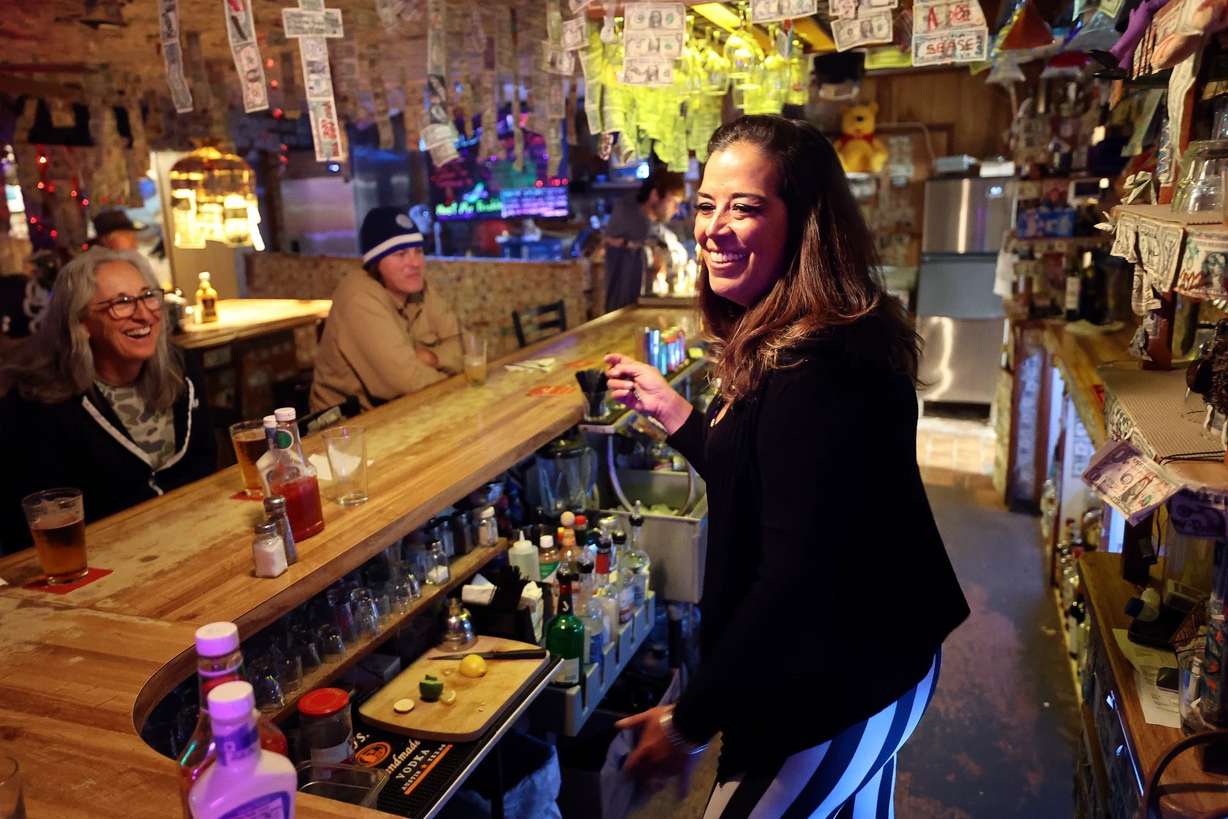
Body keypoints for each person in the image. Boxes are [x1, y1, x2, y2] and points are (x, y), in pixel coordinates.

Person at [605, 116, 969, 817]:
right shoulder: (798, 331)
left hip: (841, 687)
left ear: (804, 223)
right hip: (880, 660)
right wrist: (678, 417)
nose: (713, 226)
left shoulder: (815, 364)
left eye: (745, 206)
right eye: (707, 204)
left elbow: (794, 578)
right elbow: (769, 480)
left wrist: (686, 723)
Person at [0, 247, 216, 553]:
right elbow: (26, 525)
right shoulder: (39, 403)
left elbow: (204, 467)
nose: (144, 314)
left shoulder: (182, 368)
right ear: (81, 323)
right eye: (122, 303)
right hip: (100, 566)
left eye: (147, 296)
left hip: (197, 541)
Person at [311, 206, 463, 412]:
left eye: (418, 251)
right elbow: (409, 382)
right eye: (401, 254)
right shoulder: (360, 297)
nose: (415, 263)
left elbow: (468, 348)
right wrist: (458, 379)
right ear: (376, 262)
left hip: (407, 413)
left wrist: (432, 358)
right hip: (347, 431)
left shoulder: (418, 288)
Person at [603, 170, 687, 313]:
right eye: (673, 202)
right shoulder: (630, 219)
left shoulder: (655, 226)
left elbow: (676, 252)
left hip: (643, 309)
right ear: (654, 195)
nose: (677, 210)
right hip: (625, 312)